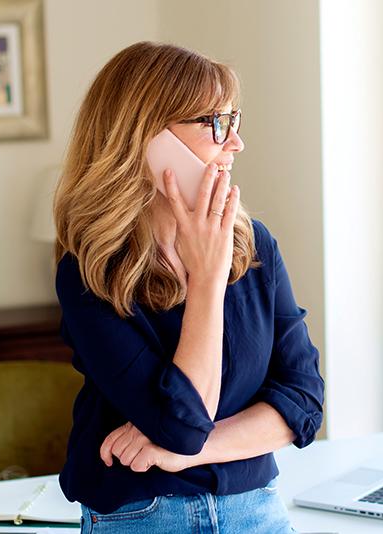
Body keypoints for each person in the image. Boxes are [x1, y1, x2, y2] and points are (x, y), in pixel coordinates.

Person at [52, 41, 324, 534]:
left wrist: (184, 452)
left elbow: (304, 403)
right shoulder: (89, 272)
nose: (235, 143)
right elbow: (180, 423)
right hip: (141, 517)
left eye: (234, 120)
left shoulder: (255, 244)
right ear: (145, 137)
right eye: (214, 123)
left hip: (256, 509)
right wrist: (207, 282)